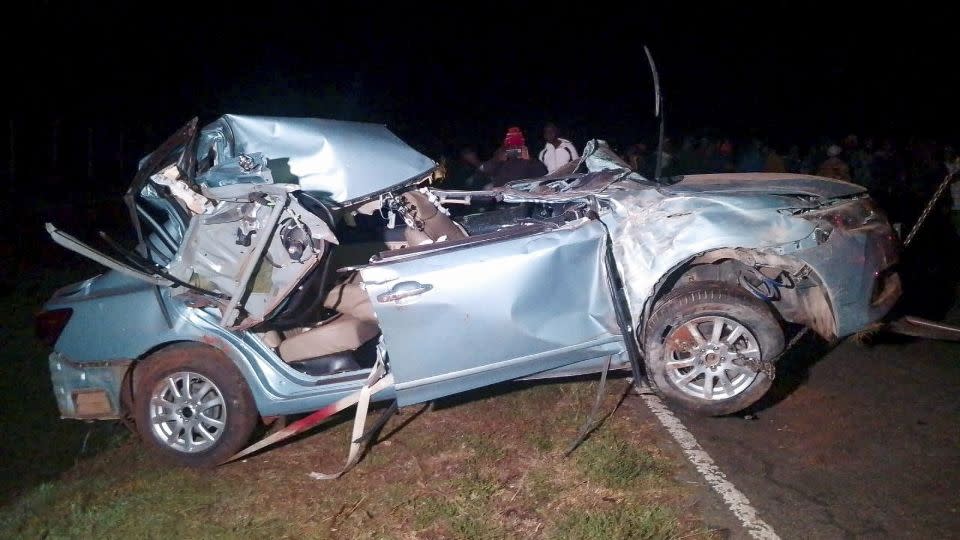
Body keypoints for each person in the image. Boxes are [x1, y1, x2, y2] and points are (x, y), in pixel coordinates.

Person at [479, 127, 547, 188]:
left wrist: (530, 160)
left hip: (519, 194)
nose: (513, 147)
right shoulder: (500, 156)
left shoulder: (529, 161)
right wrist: (496, 160)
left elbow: (542, 176)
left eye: (516, 143)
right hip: (500, 194)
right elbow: (483, 170)